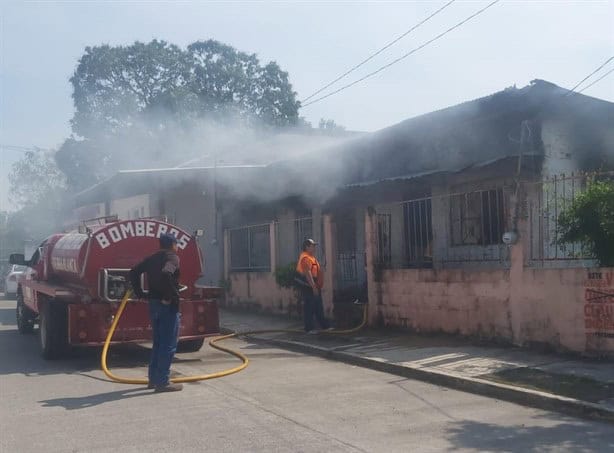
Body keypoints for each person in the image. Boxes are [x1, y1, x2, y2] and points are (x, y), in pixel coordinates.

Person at [129, 233, 183, 392]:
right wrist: (171, 296)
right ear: (173, 244)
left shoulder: (151, 258)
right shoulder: (172, 258)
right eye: (177, 244)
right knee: (168, 344)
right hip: (166, 306)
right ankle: (163, 382)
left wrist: (140, 293)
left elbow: (134, 272)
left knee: (158, 343)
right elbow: (167, 273)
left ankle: (153, 380)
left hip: (153, 304)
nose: (177, 246)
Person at [296, 238, 331, 333]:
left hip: (313, 284)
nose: (314, 247)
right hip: (308, 285)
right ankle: (309, 328)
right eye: (313, 246)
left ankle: (324, 326)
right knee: (309, 307)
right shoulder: (305, 258)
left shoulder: (311, 257)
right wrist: (313, 286)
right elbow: (308, 274)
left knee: (318, 306)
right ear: (307, 247)